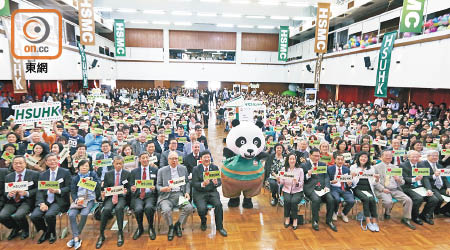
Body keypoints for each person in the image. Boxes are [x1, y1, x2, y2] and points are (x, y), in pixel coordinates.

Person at [30, 153, 72, 244]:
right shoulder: (42, 175)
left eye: (54, 160)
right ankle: (46, 231)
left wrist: (58, 190)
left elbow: (69, 187)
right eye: (50, 160)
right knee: (34, 216)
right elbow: (40, 191)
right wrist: (41, 203)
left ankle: (52, 233)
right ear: (46, 162)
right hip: (45, 200)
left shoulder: (65, 172)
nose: (52, 162)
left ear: (58, 160)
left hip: (59, 200)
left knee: (49, 215)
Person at [156, 151, 193, 241]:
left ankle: (178, 224)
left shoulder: (183, 168)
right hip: (166, 196)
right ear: (168, 160)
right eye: (172, 159)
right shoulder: (162, 170)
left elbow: (187, 182)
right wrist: (162, 189)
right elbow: (158, 185)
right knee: (166, 210)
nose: (174, 160)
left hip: (179, 194)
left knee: (188, 207)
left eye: (176, 158)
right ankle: (171, 227)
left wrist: (187, 192)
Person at [374, 150, 415, 229]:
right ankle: (387, 210)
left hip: (395, 189)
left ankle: (406, 218)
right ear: (382, 157)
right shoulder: (376, 167)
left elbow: (402, 182)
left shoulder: (396, 167)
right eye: (386, 155)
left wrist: (398, 179)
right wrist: (382, 189)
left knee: (408, 200)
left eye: (390, 156)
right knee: (388, 202)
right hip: (383, 189)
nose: (388, 157)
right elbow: (375, 182)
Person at [95, 156, 131, 249]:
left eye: (120, 163)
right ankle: (101, 234)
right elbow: (106, 187)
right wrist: (103, 191)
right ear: (113, 164)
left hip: (122, 197)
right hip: (111, 196)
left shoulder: (127, 174)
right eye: (117, 163)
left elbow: (130, 188)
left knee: (119, 208)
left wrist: (127, 191)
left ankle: (120, 232)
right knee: (106, 210)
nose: (118, 165)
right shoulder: (108, 174)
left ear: (123, 164)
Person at [0, 156, 39, 240]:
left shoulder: (34, 174)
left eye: (20, 163)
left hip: (27, 201)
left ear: (25, 164)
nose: (18, 165)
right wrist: (9, 194)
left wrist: (27, 193)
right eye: (15, 163)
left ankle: (25, 230)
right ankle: (16, 227)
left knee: (18, 215)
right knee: (2, 216)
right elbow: (5, 192)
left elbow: (39, 189)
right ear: (12, 165)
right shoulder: (8, 177)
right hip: (12, 201)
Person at [191, 151, 227, 236]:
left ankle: (220, 227)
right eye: (205, 157)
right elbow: (194, 184)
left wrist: (215, 183)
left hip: (212, 192)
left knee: (218, 205)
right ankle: (203, 221)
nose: (207, 159)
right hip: (200, 193)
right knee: (202, 209)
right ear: (201, 159)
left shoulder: (214, 167)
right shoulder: (196, 169)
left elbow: (219, 182)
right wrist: (202, 184)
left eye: (208, 157)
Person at [67, 160, 100, 249]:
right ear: (78, 168)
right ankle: (76, 238)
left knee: (84, 214)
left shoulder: (92, 174)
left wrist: (91, 182)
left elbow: (98, 186)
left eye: (86, 166)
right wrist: (76, 200)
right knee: (71, 214)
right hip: (78, 200)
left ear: (89, 167)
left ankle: (75, 238)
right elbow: (73, 192)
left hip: (90, 199)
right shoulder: (75, 178)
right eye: (82, 166)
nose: (84, 167)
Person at [301, 148, 336, 232]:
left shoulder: (323, 164)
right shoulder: (304, 165)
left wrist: (327, 186)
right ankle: (315, 221)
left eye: (318, 156)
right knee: (316, 200)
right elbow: (302, 179)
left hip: (322, 188)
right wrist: (308, 175)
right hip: (311, 188)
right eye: (315, 156)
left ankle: (329, 220)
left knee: (331, 199)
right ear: (310, 155)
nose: (317, 158)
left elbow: (326, 177)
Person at [400, 150, 438, 225]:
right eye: (413, 156)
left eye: (417, 156)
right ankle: (415, 216)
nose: (415, 158)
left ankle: (425, 215)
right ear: (408, 157)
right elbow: (404, 179)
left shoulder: (421, 164)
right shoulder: (403, 165)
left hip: (420, 187)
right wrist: (415, 179)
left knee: (434, 199)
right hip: (409, 187)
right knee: (418, 198)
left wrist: (429, 189)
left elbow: (426, 178)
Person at [130, 152, 158, 240]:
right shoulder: (134, 171)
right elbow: (131, 184)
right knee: (138, 209)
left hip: (150, 195)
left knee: (149, 207)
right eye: (143, 158)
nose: (145, 159)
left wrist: (155, 187)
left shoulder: (155, 170)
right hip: (138, 195)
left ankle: (150, 227)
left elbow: (159, 183)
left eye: (146, 157)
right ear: (139, 159)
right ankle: (140, 227)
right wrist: (132, 188)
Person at [350, 152, 380, 232]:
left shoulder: (371, 168)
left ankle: (374, 221)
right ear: (358, 158)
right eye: (362, 157)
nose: (363, 159)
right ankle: (368, 221)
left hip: (368, 188)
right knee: (366, 199)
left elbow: (374, 183)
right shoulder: (353, 167)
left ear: (368, 159)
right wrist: (352, 176)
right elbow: (351, 182)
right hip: (357, 188)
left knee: (372, 199)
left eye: (365, 157)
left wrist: (377, 179)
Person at [418, 150, 450, 217]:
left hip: (441, 187)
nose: (435, 157)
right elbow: (425, 178)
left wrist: (448, 187)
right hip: (432, 186)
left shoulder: (439, 165)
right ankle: (431, 213)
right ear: (428, 156)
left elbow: (444, 178)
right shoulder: (422, 165)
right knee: (439, 199)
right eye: (433, 155)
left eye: (436, 156)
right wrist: (434, 176)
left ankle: (442, 210)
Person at [277, 153, 304, 230]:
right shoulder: (283, 169)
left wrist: (297, 183)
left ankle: (295, 219)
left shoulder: (300, 170)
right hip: (286, 189)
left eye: (293, 159)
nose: (292, 161)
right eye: (290, 159)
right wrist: (279, 180)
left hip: (297, 191)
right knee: (287, 200)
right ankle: (287, 218)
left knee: (294, 201)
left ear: (296, 160)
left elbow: (301, 183)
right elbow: (282, 182)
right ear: (288, 160)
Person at [327, 154, 355, 223]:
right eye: (338, 159)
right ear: (335, 160)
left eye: (341, 159)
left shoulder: (347, 169)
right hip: (334, 188)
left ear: (344, 161)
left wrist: (350, 182)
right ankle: (335, 212)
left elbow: (350, 181)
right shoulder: (329, 168)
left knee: (351, 201)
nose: (340, 161)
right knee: (337, 199)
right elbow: (326, 180)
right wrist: (331, 182)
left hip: (344, 188)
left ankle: (344, 213)